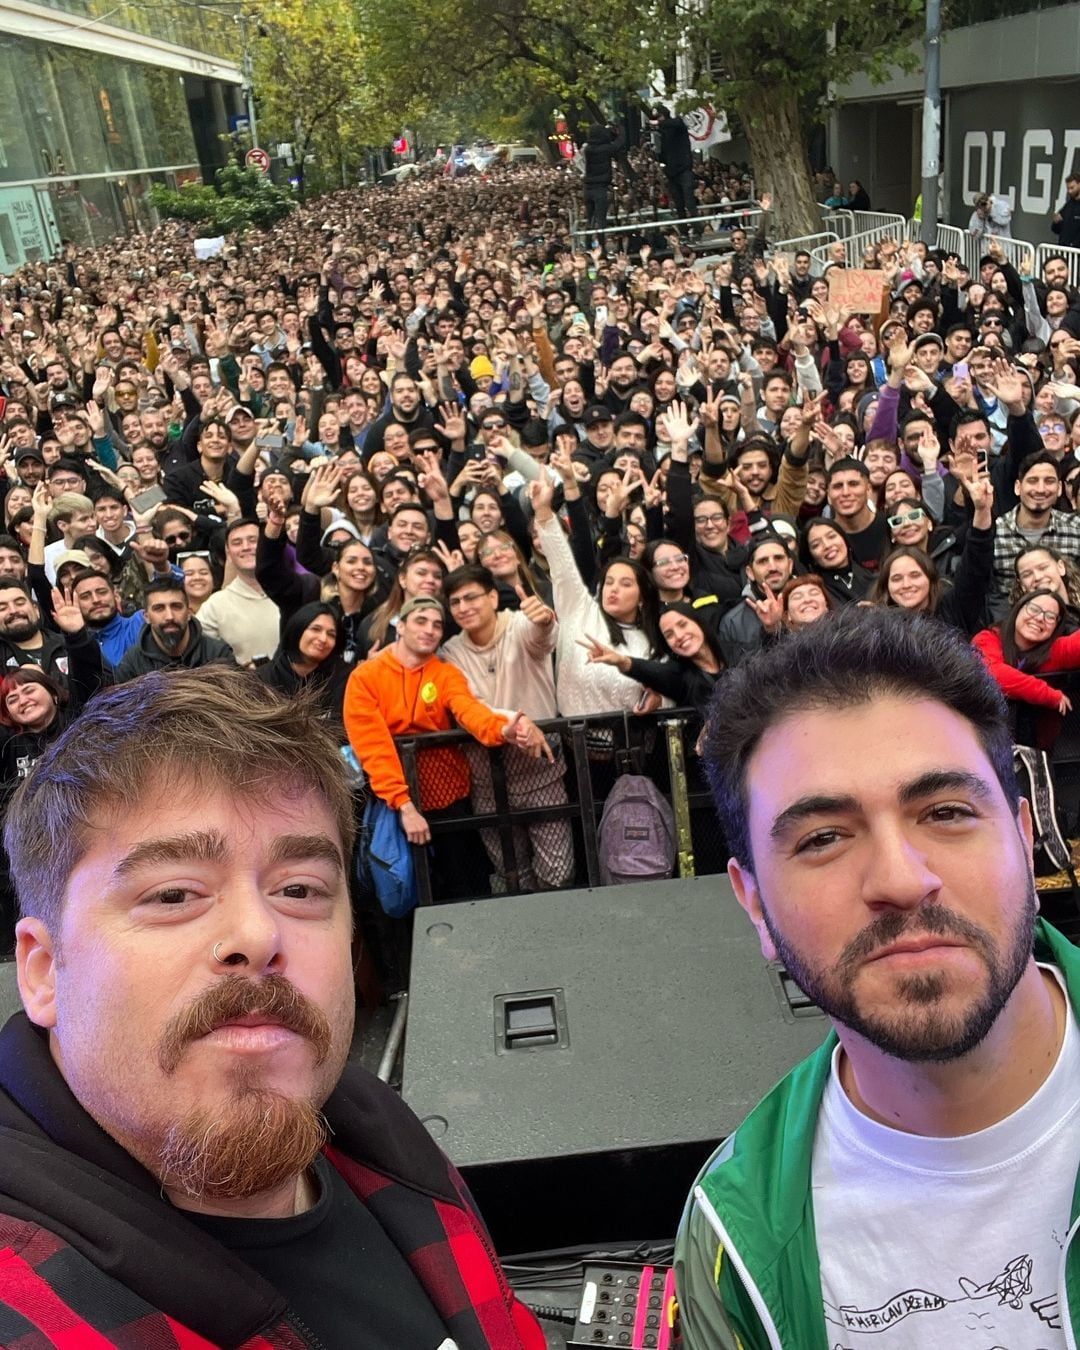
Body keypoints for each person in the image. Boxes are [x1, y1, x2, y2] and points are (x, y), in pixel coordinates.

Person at [0, 666, 545, 1348]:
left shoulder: (384, 1138)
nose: (259, 935)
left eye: (299, 889)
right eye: (174, 895)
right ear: (45, 971)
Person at [675, 607, 1080, 1348]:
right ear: (755, 902)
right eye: (824, 837)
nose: (901, 879)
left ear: (1025, 840)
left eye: (948, 812)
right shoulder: (729, 1239)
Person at [343, 595, 553, 901]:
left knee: (466, 887)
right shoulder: (365, 677)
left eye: (437, 625)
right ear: (400, 626)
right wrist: (404, 805)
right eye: (420, 621)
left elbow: (469, 709)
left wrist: (501, 730)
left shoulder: (445, 673)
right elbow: (372, 744)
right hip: (394, 801)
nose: (430, 630)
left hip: (449, 797)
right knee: (403, 888)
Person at [441, 565, 575, 894]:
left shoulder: (519, 625)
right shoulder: (449, 652)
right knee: (509, 869)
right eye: (455, 602)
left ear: (491, 596)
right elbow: (467, 706)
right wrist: (514, 721)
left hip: (538, 766)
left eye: (470, 597)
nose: (463, 607)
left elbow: (541, 637)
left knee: (558, 870)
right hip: (485, 773)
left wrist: (545, 620)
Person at [195, 518, 282, 667]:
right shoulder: (215, 606)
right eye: (237, 543)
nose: (246, 547)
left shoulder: (293, 591)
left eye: (252, 540)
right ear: (228, 551)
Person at [114, 577, 236, 680]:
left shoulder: (218, 654)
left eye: (176, 607)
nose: (169, 617)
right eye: (159, 608)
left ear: (189, 613)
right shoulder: (133, 663)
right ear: (146, 617)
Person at [581, 121, 624, 239]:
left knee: (590, 219)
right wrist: (620, 129)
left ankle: (589, 244)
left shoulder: (588, 149)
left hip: (588, 187)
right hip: (600, 188)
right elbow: (619, 143)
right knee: (601, 220)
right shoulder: (605, 149)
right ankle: (602, 246)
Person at [1051, 173, 1080, 249]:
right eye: (1068, 188)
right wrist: (1056, 222)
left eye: (1072, 188)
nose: (1069, 191)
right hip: (1064, 251)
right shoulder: (1068, 205)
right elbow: (1056, 230)